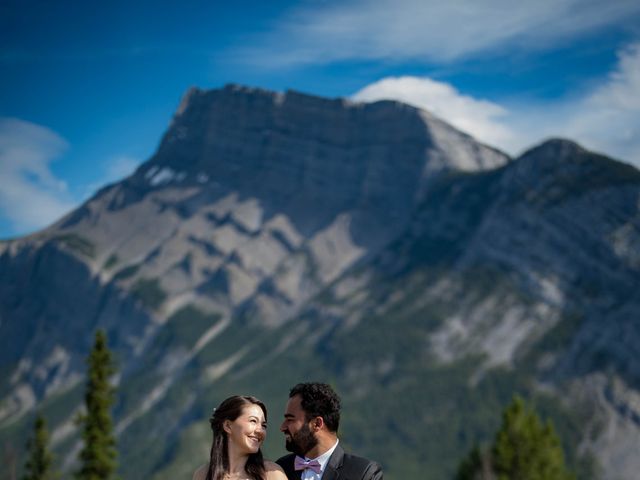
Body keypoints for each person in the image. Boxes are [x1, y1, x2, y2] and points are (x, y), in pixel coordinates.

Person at [276, 383, 383, 480]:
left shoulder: (363, 473)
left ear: (317, 424)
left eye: (290, 419)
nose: (282, 427)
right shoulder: (279, 469)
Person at [193, 395, 288, 480]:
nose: (260, 430)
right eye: (253, 421)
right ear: (228, 426)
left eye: (264, 425)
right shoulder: (203, 474)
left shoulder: (272, 473)